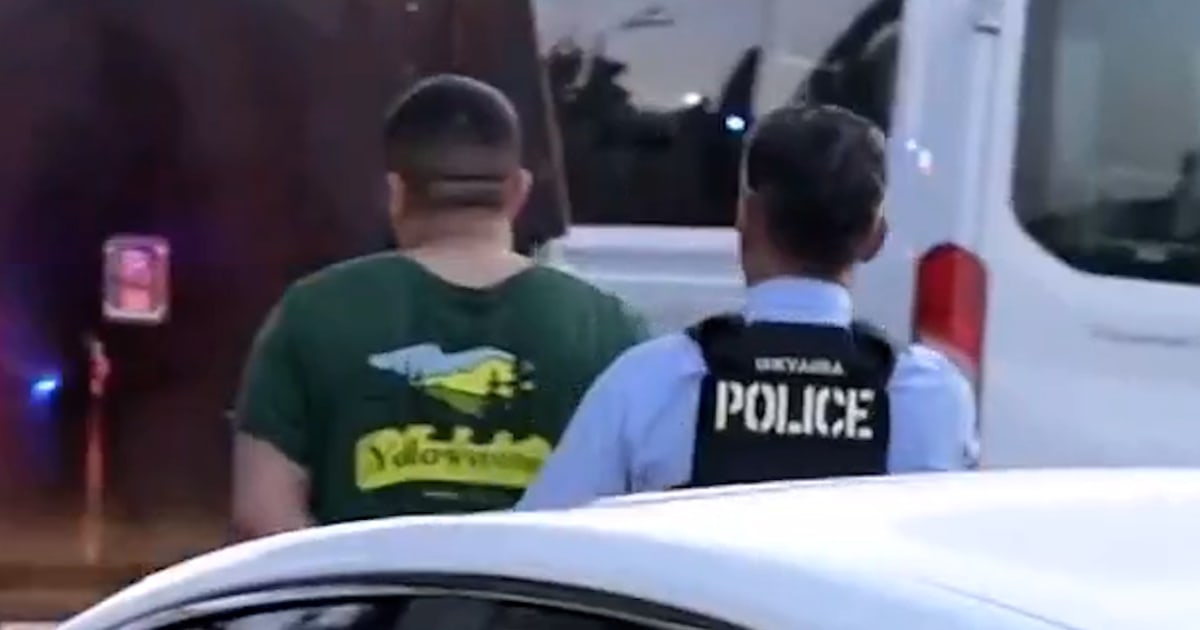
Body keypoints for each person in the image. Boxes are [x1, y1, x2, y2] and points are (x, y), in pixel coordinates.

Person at [231, 74, 648, 538]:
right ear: (518, 190)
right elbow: (647, 514)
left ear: (395, 193)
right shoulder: (611, 328)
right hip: (541, 589)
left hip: (364, 587)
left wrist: (355, 584)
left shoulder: (311, 313)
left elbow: (261, 513)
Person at [517, 104, 977, 510]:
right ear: (875, 238)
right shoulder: (931, 397)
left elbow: (540, 543)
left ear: (747, 217)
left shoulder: (650, 384)